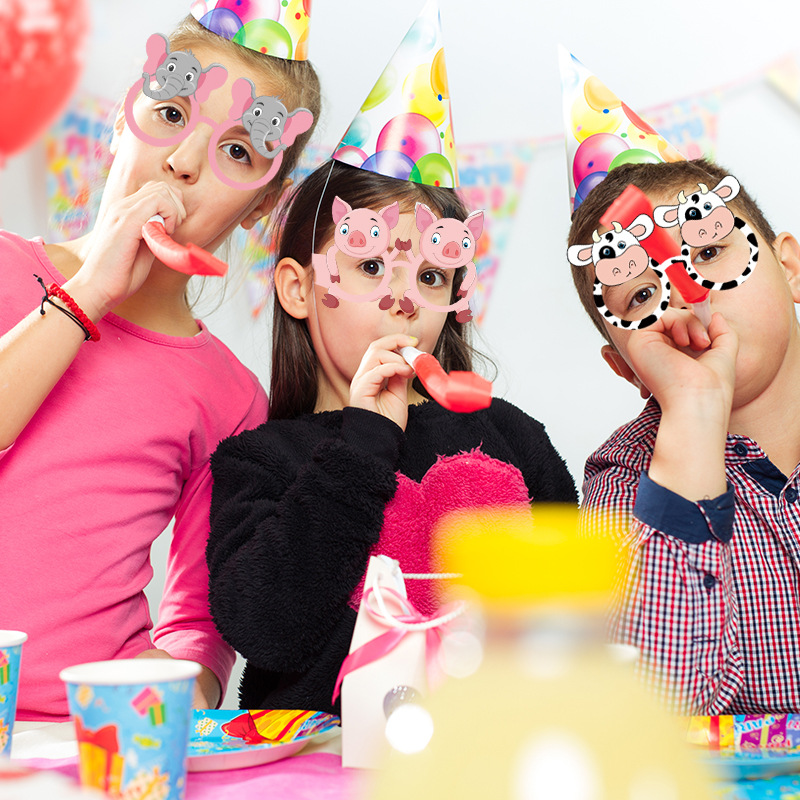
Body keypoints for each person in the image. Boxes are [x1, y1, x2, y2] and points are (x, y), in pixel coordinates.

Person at [0, 12, 320, 720]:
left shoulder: (229, 396)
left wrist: (184, 684)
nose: (183, 162)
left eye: (237, 151)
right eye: (172, 114)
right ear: (123, 119)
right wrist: (89, 291)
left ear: (260, 205)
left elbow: (200, 616)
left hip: (96, 737)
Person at [207, 160, 578, 715]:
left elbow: (571, 618)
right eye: (372, 265)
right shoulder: (261, 459)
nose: (404, 301)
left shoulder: (509, 435)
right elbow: (265, 631)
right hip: (327, 758)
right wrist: (364, 446)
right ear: (298, 289)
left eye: (430, 277)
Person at [569, 158, 800, 715]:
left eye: (708, 251)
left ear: (790, 268)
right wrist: (694, 410)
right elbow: (649, 715)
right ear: (625, 367)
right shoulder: (622, 480)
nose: (687, 294)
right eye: (641, 297)